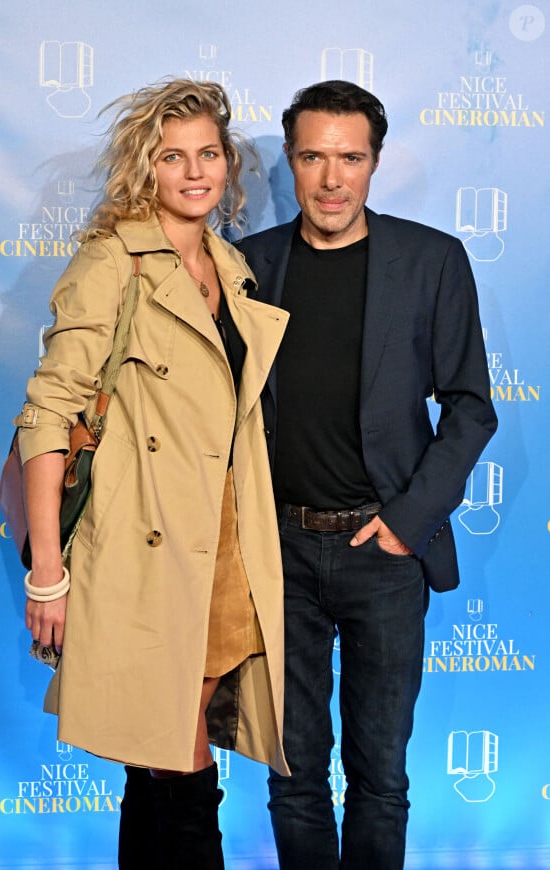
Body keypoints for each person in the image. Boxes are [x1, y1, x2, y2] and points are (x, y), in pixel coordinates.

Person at [14, 78, 289, 870]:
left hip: (226, 543)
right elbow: (48, 415)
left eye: (208, 153)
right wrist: (47, 573)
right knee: (173, 751)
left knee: (173, 746)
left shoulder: (230, 266)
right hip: (147, 547)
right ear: (146, 168)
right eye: (174, 157)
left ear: (228, 164)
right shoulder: (114, 260)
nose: (194, 171)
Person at [237, 80, 498, 870]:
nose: (331, 178)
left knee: (380, 776)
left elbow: (471, 407)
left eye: (350, 157)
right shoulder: (248, 266)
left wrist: (406, 523)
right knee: (293, 775)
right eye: (313, 156)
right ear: (290, 160)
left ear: (374, 162)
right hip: (277, 553)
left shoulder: (432, 261)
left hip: (382, 550)